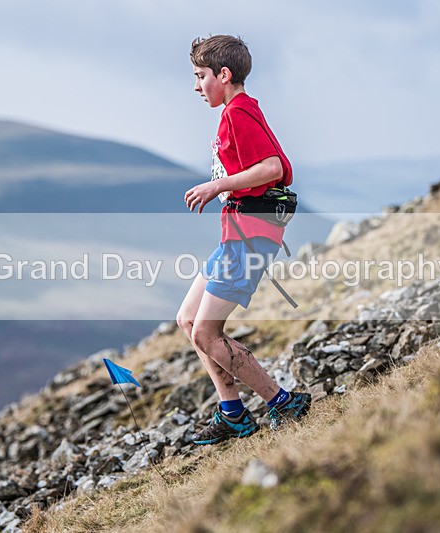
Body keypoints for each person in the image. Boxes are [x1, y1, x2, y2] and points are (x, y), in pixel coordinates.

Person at [177, 35, 311, 446]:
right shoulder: (236, 111)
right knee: (187, 320)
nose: (197, 86)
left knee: (205, 333)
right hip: (237, 233)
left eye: (201, 77)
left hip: (251, 236)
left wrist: (217, 187)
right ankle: (233, 413)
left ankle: (282, 401)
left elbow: (272, 167)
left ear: (224, 74)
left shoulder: (238, 112)